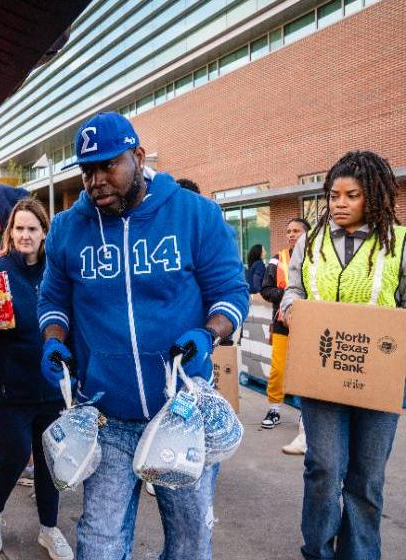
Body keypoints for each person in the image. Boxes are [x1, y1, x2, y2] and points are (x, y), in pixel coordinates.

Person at [37, 112, 249, 560]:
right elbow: (52, 302)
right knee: (98, 544)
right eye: (86, 170)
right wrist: (53, 338)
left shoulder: (195, 215)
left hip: (182, 409)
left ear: (137, 156)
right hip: (105, 415)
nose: (95, 180)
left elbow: (230, 294)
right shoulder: (66, 229)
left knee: (191, 542)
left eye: (107, 166)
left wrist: (207, 334)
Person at [280, 150, 404, 560]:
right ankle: (317, 551)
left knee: (366, 480)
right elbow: (293, 289)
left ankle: (360, 554)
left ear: (373, 196)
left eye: (351, 195)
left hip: (377, 381)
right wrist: (291, 307)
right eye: (334, 196)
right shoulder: (310, 242)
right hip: (322, 376)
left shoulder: (399, 244)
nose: (339, 204)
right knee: (324, 470)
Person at [0, 198, 73, 560]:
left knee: (50, 462)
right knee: (12, 456)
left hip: (49, 388)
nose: (25, 235)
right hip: (6, 388)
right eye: (19, 228)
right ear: (10, 232)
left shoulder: (55, 272)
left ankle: (49, 528)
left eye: (32, 228)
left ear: (44, 232)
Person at [259, 218, 310, 437]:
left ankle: (305, 413)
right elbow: (266, 289)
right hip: (282, 323)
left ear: (307, 234)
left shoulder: (318, 258)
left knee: (306, 369)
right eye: (288, 231)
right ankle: (274, 409)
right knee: (278, 369)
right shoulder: (277, 259)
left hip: (309, 324)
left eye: (296, 231)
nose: (291, 234)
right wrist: (289, 297)